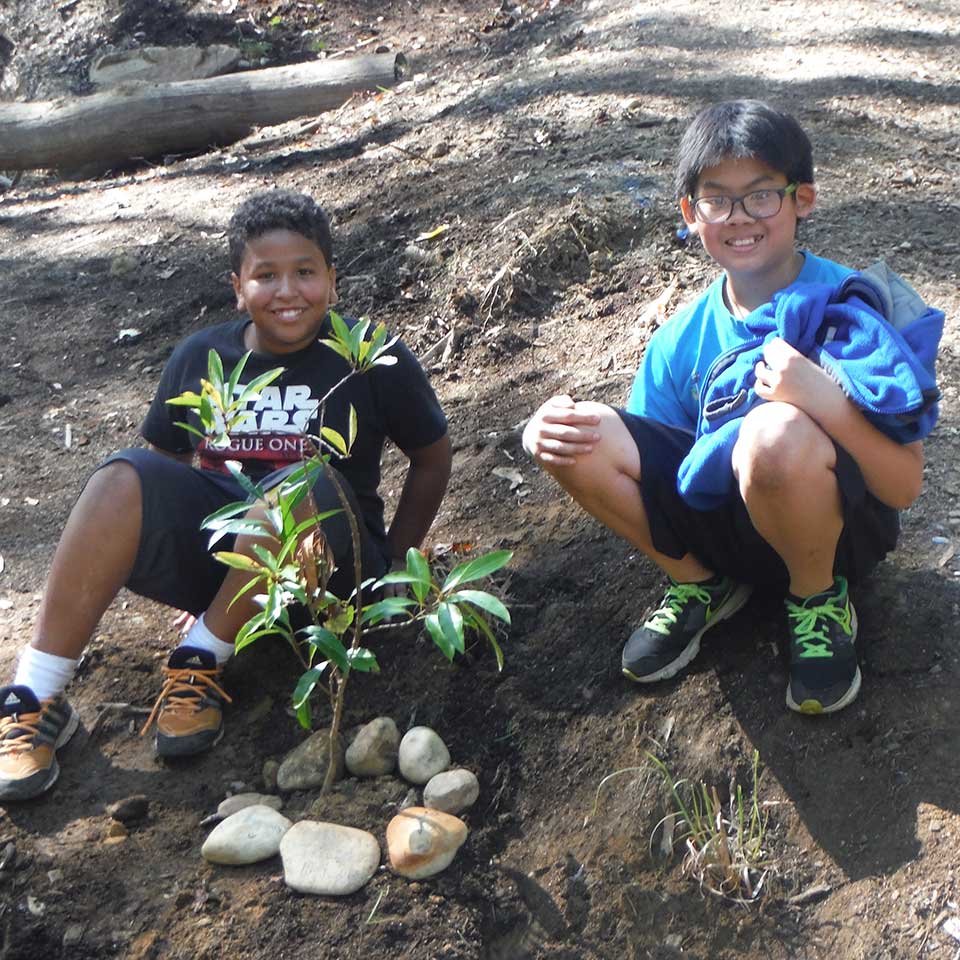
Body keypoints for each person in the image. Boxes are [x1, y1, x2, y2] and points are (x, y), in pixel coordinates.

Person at [0, 190, 452, 801]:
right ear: (237, 286)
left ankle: (199, 661)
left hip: (328, 570)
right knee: (117, 477)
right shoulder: (202, 356)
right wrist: (217, 582)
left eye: (305, 272)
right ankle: (35, 697)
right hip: (229, 569)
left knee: (299, 481)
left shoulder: (369, 356)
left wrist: (396, 560)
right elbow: (159, 472)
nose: (287, 291)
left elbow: (431, 458)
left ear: (333, 282)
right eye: (266, 275)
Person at [522, 100, 941, 717]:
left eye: (762, 195)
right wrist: (544, 427)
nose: (740, 217)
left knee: (771, 433)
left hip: (840, 534)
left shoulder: (860, 305)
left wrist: (824, 400)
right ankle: (701, 584)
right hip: (724, 532)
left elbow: (904, 486)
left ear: (803, 199)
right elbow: (661, 474)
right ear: (692, 215)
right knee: (573, 432)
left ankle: (817, 600)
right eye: (717, 199)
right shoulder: (677, 339)